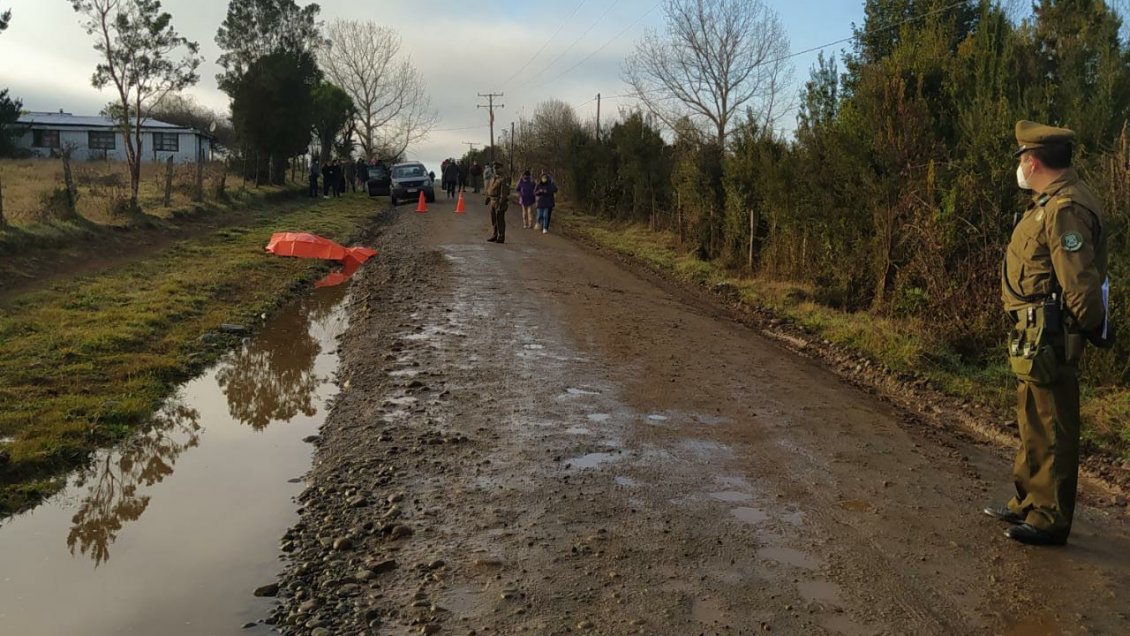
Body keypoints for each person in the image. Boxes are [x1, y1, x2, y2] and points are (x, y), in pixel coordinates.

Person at [985, 121, 1111, 546]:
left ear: (1033, 160)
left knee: (1053, 425)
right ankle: (1029, 502)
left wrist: (1086, 328)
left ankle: (1050, 517)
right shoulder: (1049, 201)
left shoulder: (1065, 208)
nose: (1020, 166)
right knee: (1033, 420)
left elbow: (1080, 286)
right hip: (1034, 337)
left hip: (1053, 337)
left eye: (1022, 158)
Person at [484, 160, 511, 244]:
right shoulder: (493, 177)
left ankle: (501, 236)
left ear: (501, 168)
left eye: (497, 168)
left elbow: (504, 192)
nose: (495, 169)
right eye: (494, 168)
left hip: (499, 201)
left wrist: (501, 202)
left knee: (500, 220)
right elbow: (490, 188)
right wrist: (488, 197)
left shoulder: (504, 179)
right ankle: (495, 234)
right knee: (493, 219)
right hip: (492, 200)